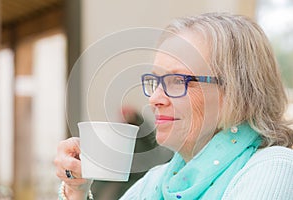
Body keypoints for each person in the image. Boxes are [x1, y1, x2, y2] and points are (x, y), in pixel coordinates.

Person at [54, 12, 293, 200]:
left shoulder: (273, 168)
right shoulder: (160, 180)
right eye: (155, 81)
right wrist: (77, 189)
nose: (155, 98)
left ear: (236, 91)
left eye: (177, 81)